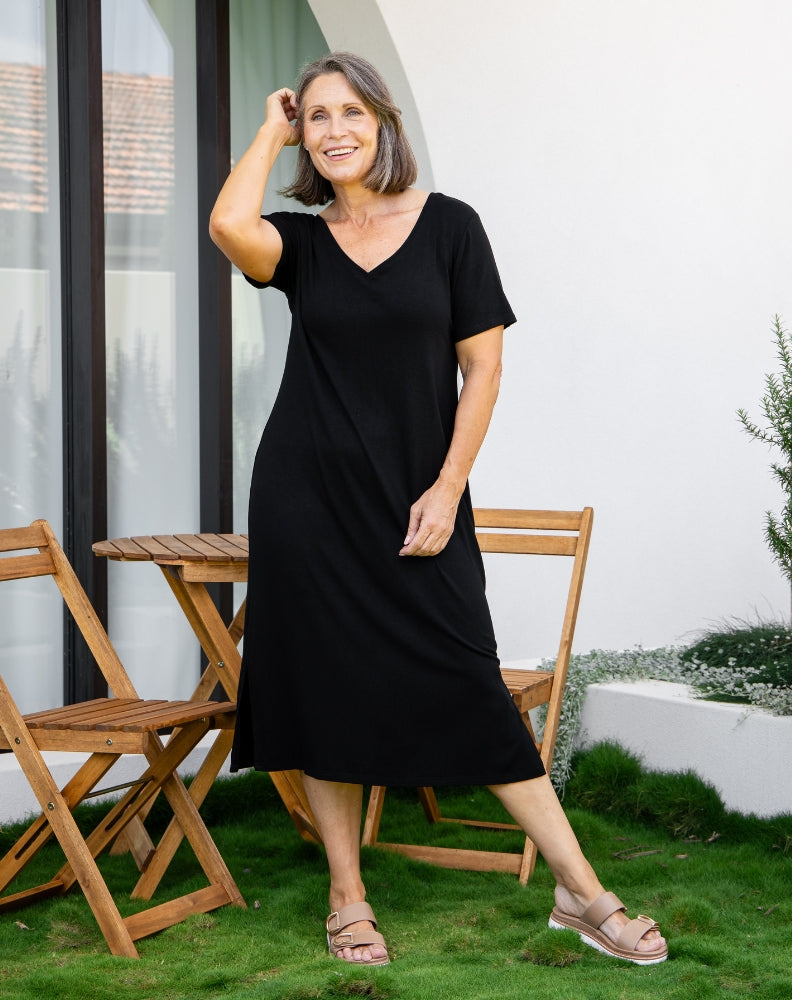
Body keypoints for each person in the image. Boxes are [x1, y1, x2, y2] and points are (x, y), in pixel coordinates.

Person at [209, 51, 667, 969]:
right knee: (326, 691)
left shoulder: (451, 227)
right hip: (306, 501)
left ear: (384, 124)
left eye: (352, 112)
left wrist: (449, 486)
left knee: (470, 682)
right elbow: (228, 223)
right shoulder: (300, 245)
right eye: (318, 116)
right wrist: (268, 128)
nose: (335, 130)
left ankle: (581, 891)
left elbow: (483, 368)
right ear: (303, 134)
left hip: (420, 498)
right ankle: (347, 898)